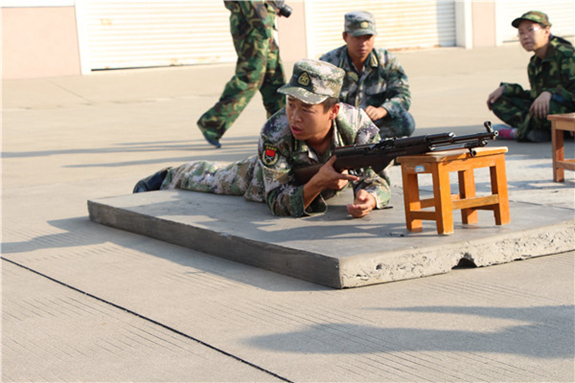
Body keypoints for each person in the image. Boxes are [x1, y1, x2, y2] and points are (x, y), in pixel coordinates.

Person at [134, 59, 391, 218]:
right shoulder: (275, 131)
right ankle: (167, 175)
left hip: (319, 177)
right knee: (214, 177)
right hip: (264, 176)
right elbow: (278, 201)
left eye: (306, 109)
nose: (295, 117)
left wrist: (370, 197)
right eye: (291, 104)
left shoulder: (357, 125)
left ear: (333, 111)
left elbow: (376, 177)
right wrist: (316, 182)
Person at [196, 1, 287, 149]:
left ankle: (280, 129)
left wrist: (274, 5)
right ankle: (212, 123)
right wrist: (263, 22)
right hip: (253, 27)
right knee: (250, 78)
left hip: (263, 24)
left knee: (274, 79)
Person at [319, 11, 415, 139]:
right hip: (340, 124)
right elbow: (317, 101)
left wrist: (382, 110)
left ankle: (378, 150)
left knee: (405, 121)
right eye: (357, 37)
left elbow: (403, 95)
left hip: (373, 124)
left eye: (367, 37)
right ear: (345, 37)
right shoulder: (329, 63)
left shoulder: (387, 60)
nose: (363, 43)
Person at [486, 10, 575, 142]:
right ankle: (540, 130)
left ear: (546, 31)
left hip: (568, 112)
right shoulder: (534, 63)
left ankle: (517, 133)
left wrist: (551, 93)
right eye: (521, 33)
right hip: (546, 112)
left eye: (530, 30)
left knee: (547, 107)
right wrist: (507, 89)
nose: (525, 36)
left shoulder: (566, 55)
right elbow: (535, 97)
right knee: (499, 100)